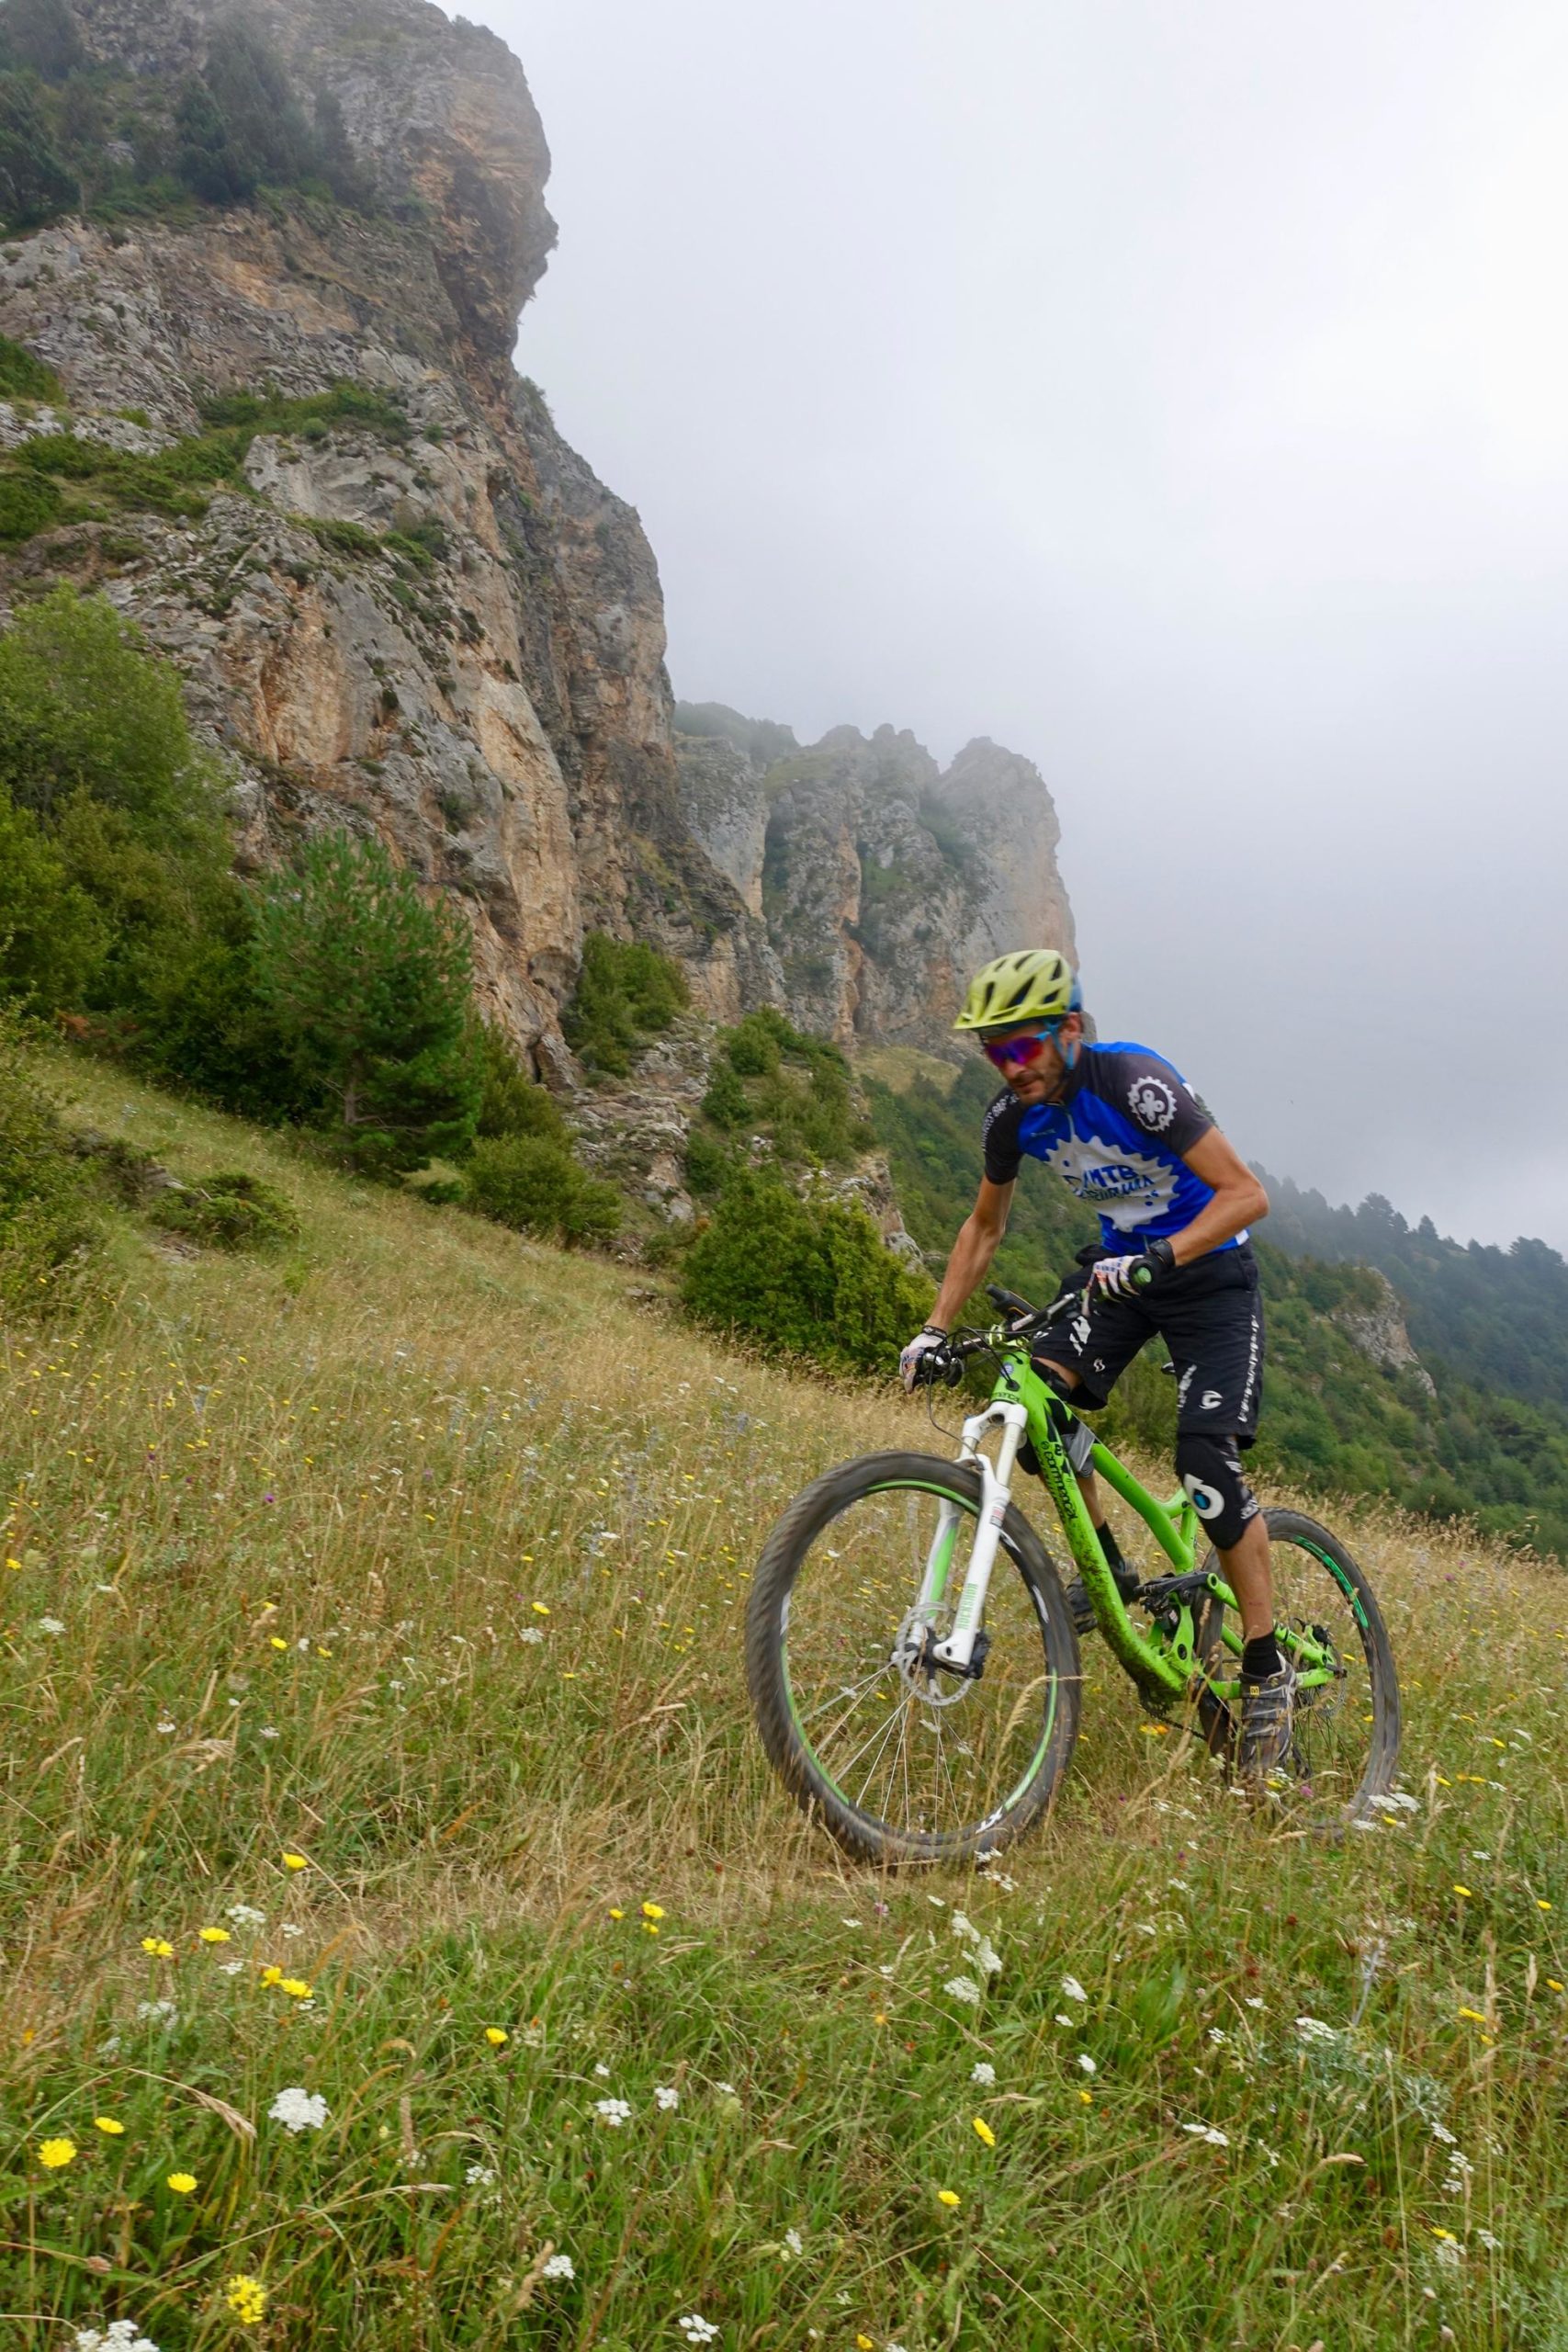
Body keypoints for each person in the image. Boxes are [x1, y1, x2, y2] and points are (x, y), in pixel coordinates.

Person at [897, 948, 1291, 1781]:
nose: (1007, 1068)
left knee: (1203, 1465)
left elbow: (1245, 1193)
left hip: (1210, 1273)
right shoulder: (1012, 1118)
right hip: (1121, 1277)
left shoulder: (1133, 1084)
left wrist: (1164, 1254)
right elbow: (982, 1228)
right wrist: (934, 1328)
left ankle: (1265, 1670)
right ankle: (1110, 1570)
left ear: (1069, 1030)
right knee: (1034, 1403)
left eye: (1019, 1047)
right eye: (991, 1053)